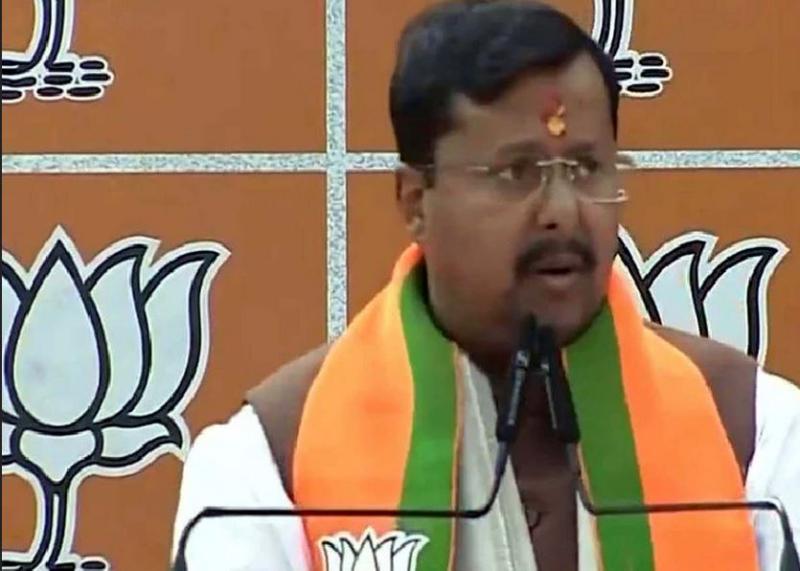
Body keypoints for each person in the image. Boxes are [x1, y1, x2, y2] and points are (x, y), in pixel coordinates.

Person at [171, 1, 800, 569]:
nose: (563, 212)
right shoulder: (268, 463)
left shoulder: (755, 431)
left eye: (587, 168)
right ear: (415, 200)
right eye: (515, 173)